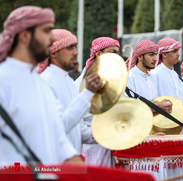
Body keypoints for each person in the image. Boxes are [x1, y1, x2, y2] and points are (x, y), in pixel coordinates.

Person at [0, 6, 81, 167]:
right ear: (24, 36)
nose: (52, 39)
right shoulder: (3, 80)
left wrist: (80, 171)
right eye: (46, 31)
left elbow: (57, 137)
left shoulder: (38, 82)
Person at [37, 29, 100, 155]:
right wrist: (87, 93)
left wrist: (110, 133)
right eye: (70, 47)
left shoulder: (69, 81)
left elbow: (78, 130)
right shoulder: (44, 82)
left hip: (72, 164)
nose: (76, 52)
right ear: (53, 52)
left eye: (75, 47)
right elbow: (61, 126)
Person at [125, 39, 173, 180]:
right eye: (151, 54)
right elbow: (127, 111)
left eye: (156, 54)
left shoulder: (153, 77)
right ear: (139, 56)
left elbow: (156, 105)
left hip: (155, 132)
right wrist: (155, 108)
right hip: (137, 136)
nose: (155, 58)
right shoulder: (129, 77)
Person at [74, 37, 121, 166]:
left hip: (109, 143)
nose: (116, 56)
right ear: (98, 54)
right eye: (112, 52)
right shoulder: (81, 83)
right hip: (89, 145)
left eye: (117, 53)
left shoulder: (113, 82)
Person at [152, 38, 183, 127]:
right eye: (174, 51)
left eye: (178, 51)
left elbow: (179, 103)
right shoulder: (155, 74)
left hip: (177, 122)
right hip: (161, 124)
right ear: (165, 54)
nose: (178, 54)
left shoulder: (175, 75)